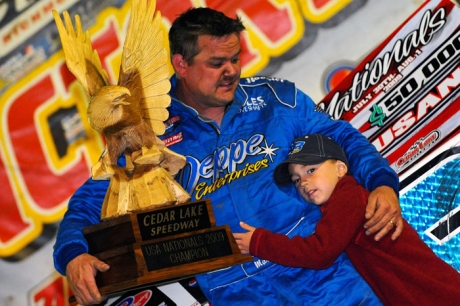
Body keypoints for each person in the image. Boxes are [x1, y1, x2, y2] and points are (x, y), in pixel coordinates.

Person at [53, 7, 403, 305]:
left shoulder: (274, 99)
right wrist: (73, 255)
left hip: (322, 272)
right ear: (181, 64)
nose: (232, 70)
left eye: (235, 58)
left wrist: (382, 183)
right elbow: (87, 206)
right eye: (217, 62)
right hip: (236, 290)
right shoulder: (146, 134)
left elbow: (342, 137)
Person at [234, 133, 460, 306]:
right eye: (296, 179)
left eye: (311, 170)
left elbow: (319, 252)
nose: (303, 182)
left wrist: (259, 242)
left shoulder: (348, 196)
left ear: (341, 168)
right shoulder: (340, 202)